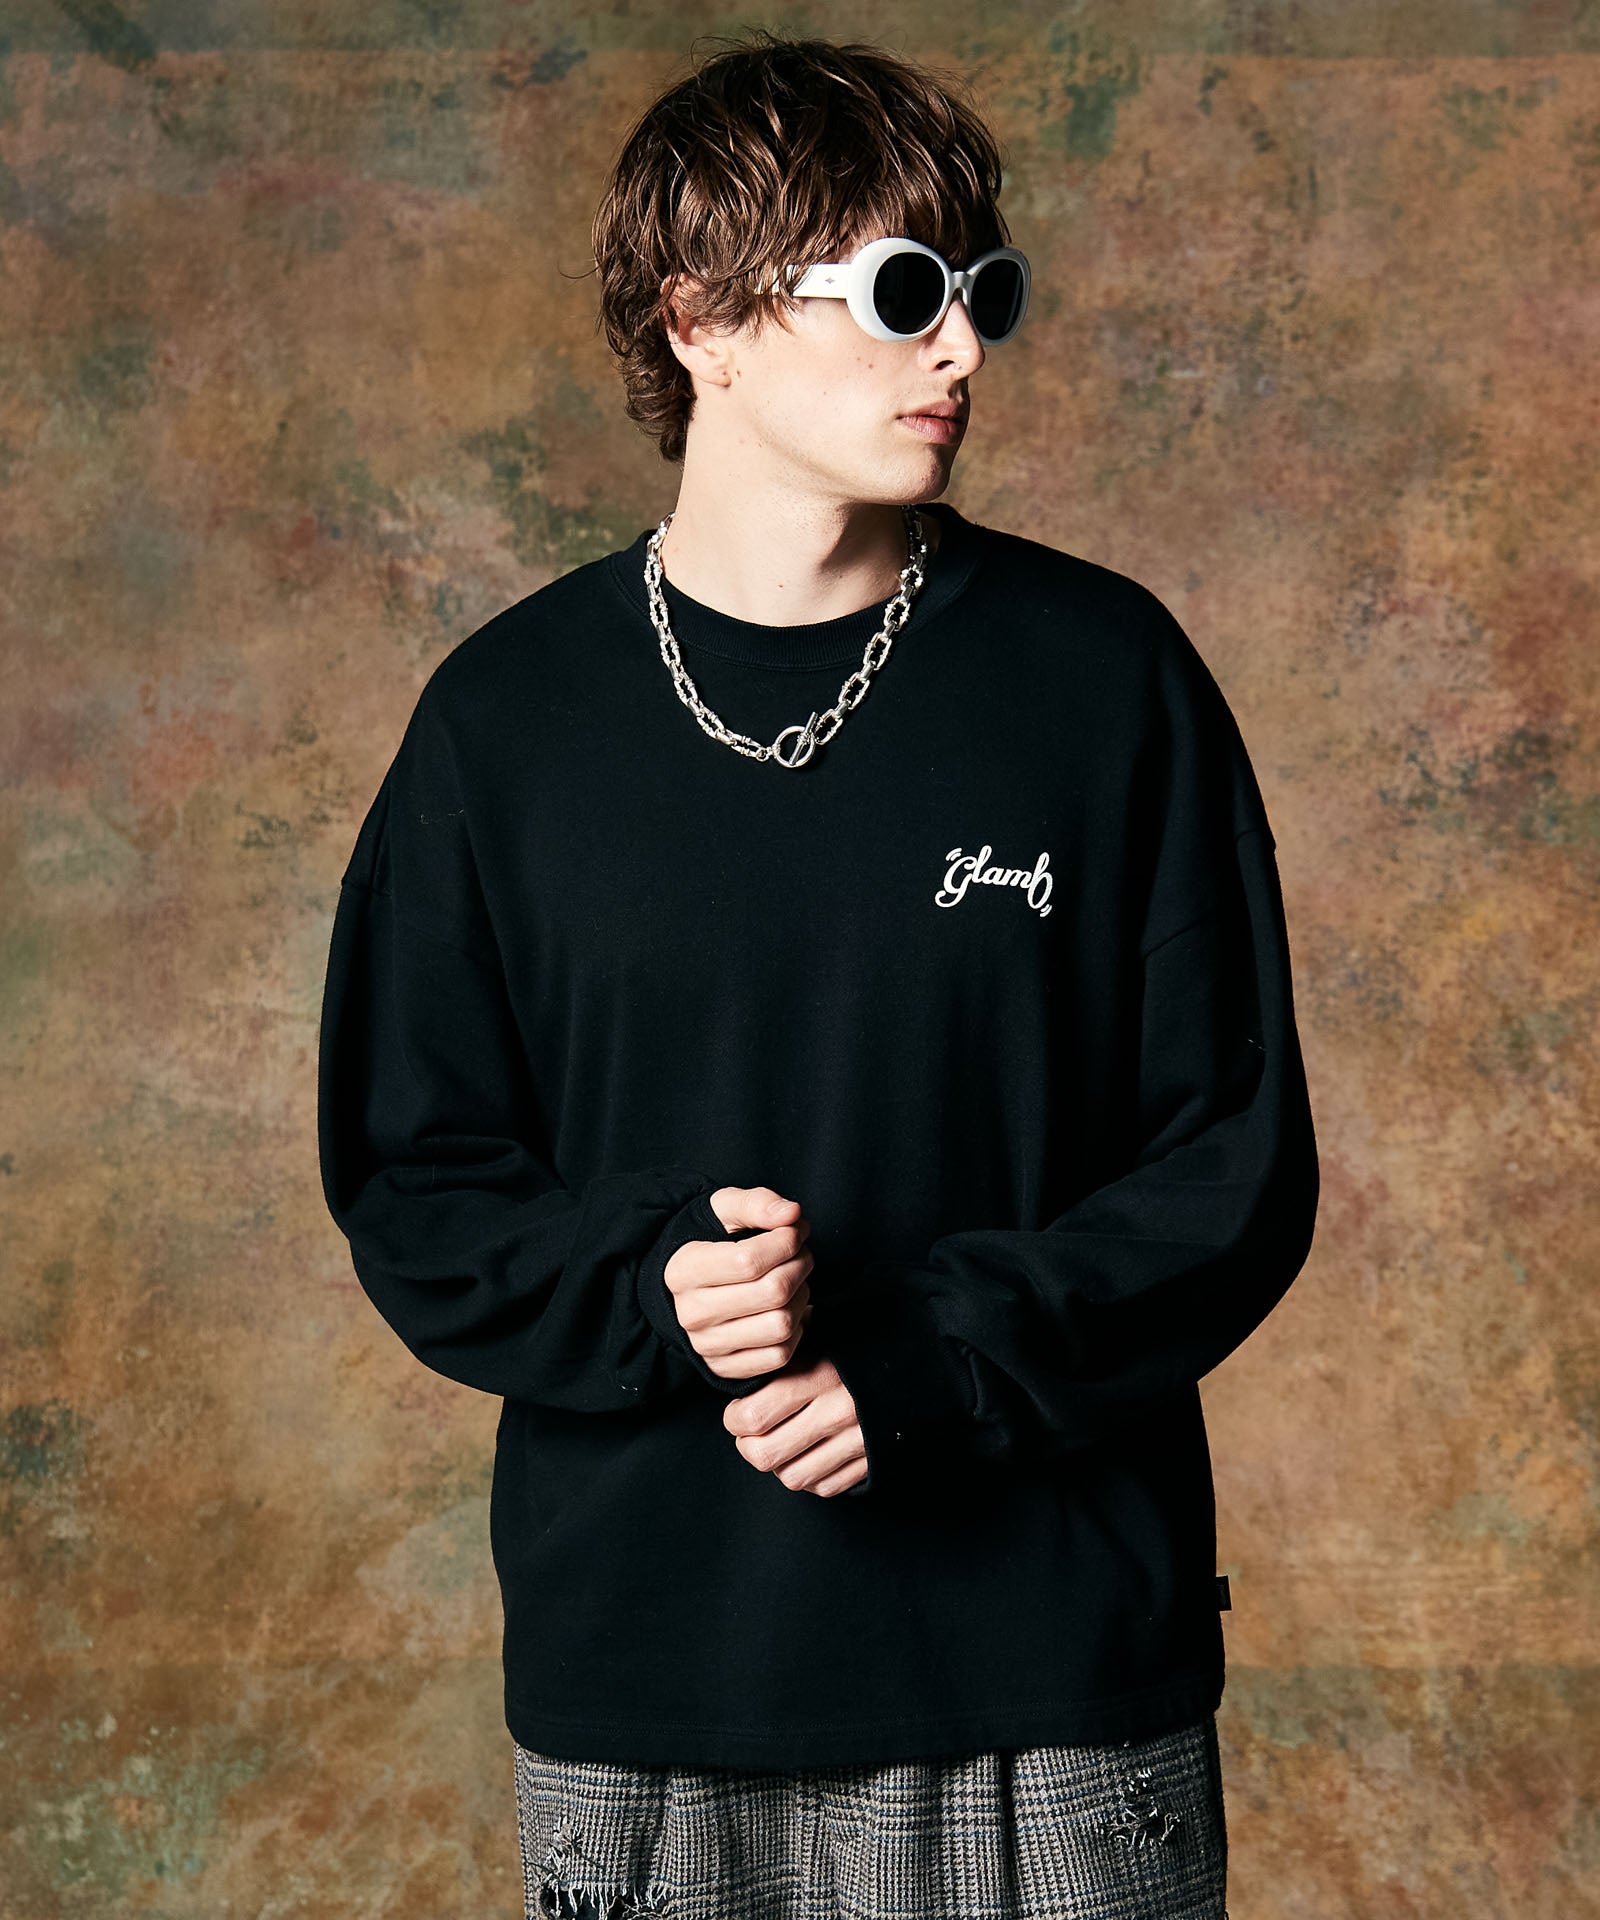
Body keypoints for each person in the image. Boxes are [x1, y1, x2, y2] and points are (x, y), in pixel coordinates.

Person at [316, 28, 1318, 1920]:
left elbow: (1231, 1167)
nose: (963, 351)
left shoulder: (1106, 683)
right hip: (649, 1689)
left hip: (1048, 1685)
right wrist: (651, 1285)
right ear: (701, 317)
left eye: (982, 294)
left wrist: (938, 1362)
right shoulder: (504, 725)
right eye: (902, 293)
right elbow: (414, 1181)